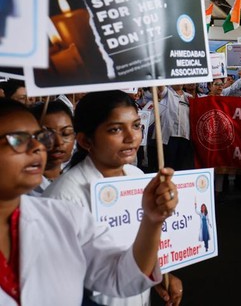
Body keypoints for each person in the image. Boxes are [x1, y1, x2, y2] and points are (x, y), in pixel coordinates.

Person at [0, 98, 175, 304]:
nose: (38, 147)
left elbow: (120, 279)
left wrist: (152, 220)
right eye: (18, 139)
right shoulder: (64, 196)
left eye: (38, 137)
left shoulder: (63, 216)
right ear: (86, 141)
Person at [43, 91, 183, 306]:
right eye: (115, 129)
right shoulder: (62, 198)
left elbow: (136, 246)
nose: (131, 137)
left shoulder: (137, 178)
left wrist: (158, 274)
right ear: (85, 140)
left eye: (136, 125)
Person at [28, 100, 75, 195]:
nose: (59, 142)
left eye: (66, 133)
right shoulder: (22, 189)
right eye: (47, 136)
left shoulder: (78, 176)